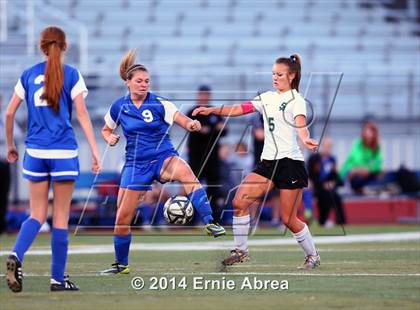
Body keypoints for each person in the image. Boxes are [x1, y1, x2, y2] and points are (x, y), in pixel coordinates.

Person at [100, 50, 225, 275]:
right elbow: (106, 128)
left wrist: (192, 125)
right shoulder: (119, 106)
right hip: (136, 164)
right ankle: (121, 264)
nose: (144, 85)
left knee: (186, 171)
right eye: (139, 81)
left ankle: (209, 221)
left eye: (147, 81)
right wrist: (109, 137)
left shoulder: (159, 103)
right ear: (128, 83)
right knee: (122, 218)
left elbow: (183, 120)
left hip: (162, 157)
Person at [193, 54, 321, 269]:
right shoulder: (267, 98)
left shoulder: (296, 100)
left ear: (291, 76)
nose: (275, 77)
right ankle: (241, 251)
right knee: (239, 201)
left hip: (290, 163)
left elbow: (301, 124)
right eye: (273, 74)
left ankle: (313, 255)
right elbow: (240, 109)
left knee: (289, 219)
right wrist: (213, 109)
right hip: (268, 163)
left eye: (279, 74)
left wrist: (306, 138)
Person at [4, 26, 100, 292]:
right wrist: (94, 149)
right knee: (60, 218)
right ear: (65, 46)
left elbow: (9, 114)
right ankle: (57, 279)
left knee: (36, 214)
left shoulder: (28, 74)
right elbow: (81, 114)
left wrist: (11, 145)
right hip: (63, 153)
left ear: (42, 46)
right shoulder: (71, 74)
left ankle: (16, 254)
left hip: (35, 152)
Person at [186, 85, 227, 221]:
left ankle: (213, 219)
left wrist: (209, 130)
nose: (204, 97)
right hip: (196, 157)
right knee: (193, 187)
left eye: (206, 94)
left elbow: (224, 130)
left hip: (212, 157)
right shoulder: (192, 112)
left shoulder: (213, 112)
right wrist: (212, 129)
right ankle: (189, 219)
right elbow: (195, 131)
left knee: (214, 188)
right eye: (201, 94)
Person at [308, 137, 346, 226]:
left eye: (329, 147)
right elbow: (311, 176)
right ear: (322, 146)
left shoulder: (332, 159)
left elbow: (335, 177)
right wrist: (322, 184)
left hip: (329, 188)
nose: (328, 149)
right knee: (325, 195)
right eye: (326, 146)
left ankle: (341, 222)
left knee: (336, 197)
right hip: (317, 187)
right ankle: (323, 220)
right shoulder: (314, 158)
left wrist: (333, 183)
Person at [339, 120, 383, 194]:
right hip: (353, 173)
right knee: (354, 179)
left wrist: (366, 169)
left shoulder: (376, 148)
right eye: (365, 131)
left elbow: (377, 165)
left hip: (367, 174)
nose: (367, 135)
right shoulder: (357, 144)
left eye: (370, 132)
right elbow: (352, 161)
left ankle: (365, 189)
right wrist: (352, 171)